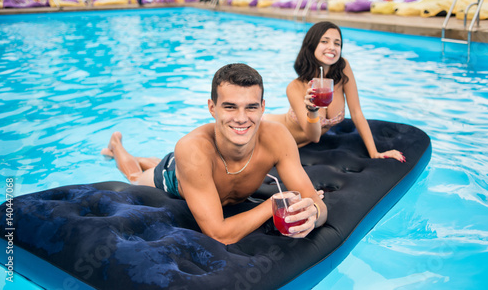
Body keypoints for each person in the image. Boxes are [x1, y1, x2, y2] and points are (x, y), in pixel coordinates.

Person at [101, 63, 327, 245]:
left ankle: (145, 158)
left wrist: (312, 215)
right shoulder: (192, 149)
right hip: (174, 174)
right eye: (230, 107)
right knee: (134, 178)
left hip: (195, 170)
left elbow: (319, 205)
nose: (241, 118)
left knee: (165, 162)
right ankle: (117, 147)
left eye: (251, 107)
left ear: (263, 106)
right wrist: (272, 204)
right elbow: (219, 234)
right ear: (212, 107)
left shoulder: (278, 137)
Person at [264, 22, 405, 162]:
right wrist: (312, 110)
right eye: (324, 41)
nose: (332, 47)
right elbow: (314, 137)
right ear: (312, 45)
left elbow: (356, 112)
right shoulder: (295, 87)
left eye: (337, 43)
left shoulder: (343, 69)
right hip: (268, 134)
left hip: (298, 145)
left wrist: (374, 153)